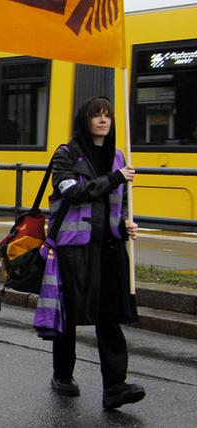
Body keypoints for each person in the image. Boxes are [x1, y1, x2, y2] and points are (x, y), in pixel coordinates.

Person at [47, 96, 144, 410]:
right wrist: (116, 178)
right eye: (97, 115)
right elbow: (73, 192)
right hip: (74, 249)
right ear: (84, 120)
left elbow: (115, 206)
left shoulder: (117, 156)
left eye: (108, 116)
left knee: (109, 317)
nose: (103, 120)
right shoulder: (66, 155)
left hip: (109, 250)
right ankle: (63, 374)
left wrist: (124, 226)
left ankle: (115, 386)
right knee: (71, 314)